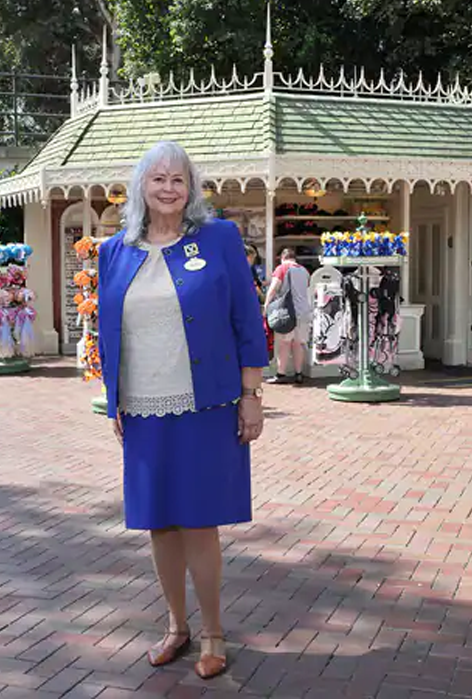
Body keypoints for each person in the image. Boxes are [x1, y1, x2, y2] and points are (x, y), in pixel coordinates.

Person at [96, 141, 267, 680]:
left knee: (198, 522)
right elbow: (108, 331)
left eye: (179, 180)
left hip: (207, 402)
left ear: (191, 188)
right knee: (159, 524)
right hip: (142, 407)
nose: (169, 188)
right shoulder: (114, 251)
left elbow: (246, 315)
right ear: (140, 187)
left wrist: (252, 393)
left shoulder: (218, 239)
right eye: (158, 179)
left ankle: (214, 631)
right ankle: (176, 626)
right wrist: (114, 401)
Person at [266, 248, 313, 384]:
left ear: (282, 258)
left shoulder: (282, 268)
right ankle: (299, 374)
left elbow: (273, 288)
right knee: (298, 344)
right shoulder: (304, 271)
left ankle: (281, 374)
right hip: (303, 312)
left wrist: (267, 305)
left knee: (284, 344)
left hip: (287, 313)